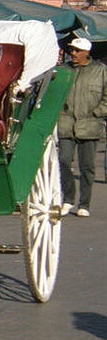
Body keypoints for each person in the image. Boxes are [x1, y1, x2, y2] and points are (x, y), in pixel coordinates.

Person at [58, 37, 107, 217]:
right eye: (72, 50)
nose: (73, 53)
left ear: (87, 52)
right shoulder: (63, 71)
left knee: (87, 167)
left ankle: (84, 203)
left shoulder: (100, 71)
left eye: (77, 51)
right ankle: (68, 198)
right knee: (63, 161)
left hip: (89, 124)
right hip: (66, 123)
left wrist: (97, 112)